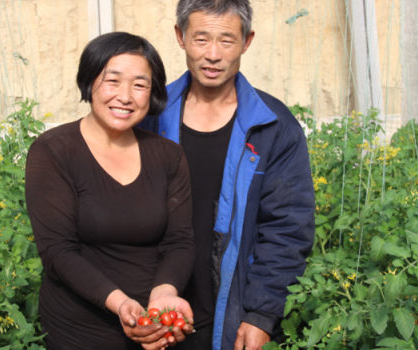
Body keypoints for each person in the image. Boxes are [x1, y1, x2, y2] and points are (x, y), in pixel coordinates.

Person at [139, 1, 315, 349]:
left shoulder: (272, 125)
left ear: (247, 41)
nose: (213, 55)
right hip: (153, 304)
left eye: (227, 40)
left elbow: (288, 228)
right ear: (181, 37)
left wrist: (261, 314)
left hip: (229, 311)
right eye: (201, 39)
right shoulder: (149, 114)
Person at [25, 32, 195, 350]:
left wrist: (165, 293)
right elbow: (58, 252)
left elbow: (179, 242)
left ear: (153, 93)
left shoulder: (168, 156)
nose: (125, 96)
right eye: (112, 81)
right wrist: (120, 304)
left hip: (155, 325)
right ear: (90, 82)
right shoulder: (54, 151)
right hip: (80, 329)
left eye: (140, 84)